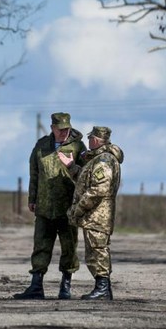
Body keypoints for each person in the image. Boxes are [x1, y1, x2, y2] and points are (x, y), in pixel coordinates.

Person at [13, 112, 87, 300]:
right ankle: (36, 286)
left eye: (67, 129)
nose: (64, 132)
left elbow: (85, 176)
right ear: (52, 128)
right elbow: (34, 173)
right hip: (45, 207)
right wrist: (32, 198)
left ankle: (66, 286)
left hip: (68, 208)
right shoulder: (41, 146)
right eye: (61, 129)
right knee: (41, 246)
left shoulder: (78, 147)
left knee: (69, 247)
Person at [58, 126, 124, 300]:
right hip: (95, 215)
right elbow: (85, 181)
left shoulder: (104, 160)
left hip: (98, 215)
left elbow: (98, 190)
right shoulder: (98, 159)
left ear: (95, 139)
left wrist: (78, 209)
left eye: (90, 138)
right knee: (95, 250)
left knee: (98, 250)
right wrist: (71, 166)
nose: (88, 142)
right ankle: (103, 288)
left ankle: (102, 288)